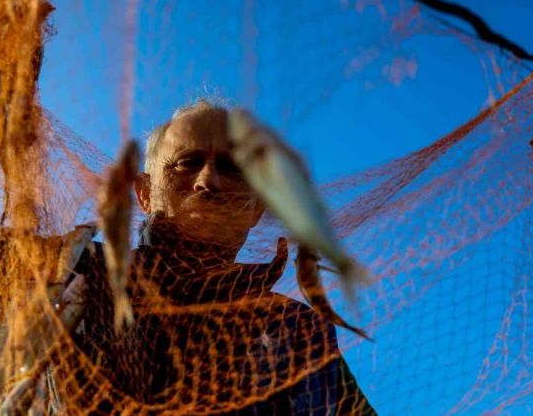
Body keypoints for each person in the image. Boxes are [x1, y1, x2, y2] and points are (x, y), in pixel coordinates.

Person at [67, 99, 377, 415]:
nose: (209, 182)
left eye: (231, 169)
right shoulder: (80, 272)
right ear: (145, 193)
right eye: (187, 162)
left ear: (255, 208)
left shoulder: (295, 326)